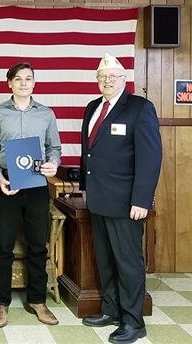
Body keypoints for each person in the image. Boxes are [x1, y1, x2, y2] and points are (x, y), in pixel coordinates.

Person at [80, 54, 161, 344]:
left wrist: (142, 199)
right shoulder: (92, 108)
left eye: (113, 76)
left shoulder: (139, 108)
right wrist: (85, 187)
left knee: (128, 263)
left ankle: (133, 321)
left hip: (127, 203)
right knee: (106, 260)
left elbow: (150, 159)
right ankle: (111, 310)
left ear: (123, 79)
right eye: (102, 77)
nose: (107, 81)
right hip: (99, 200)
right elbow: (87, 154)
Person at [0, 62, 61, 328]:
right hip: (7, 183)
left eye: (29, 79)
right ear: (10, 84)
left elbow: (55, 148)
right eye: (18, 79)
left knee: (38, 245)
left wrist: (53, 163)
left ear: (34, 83)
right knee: (4, 244)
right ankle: (0, 302)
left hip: (37, 184)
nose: (24, 83)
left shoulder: (46, 114)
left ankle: (37, 300)